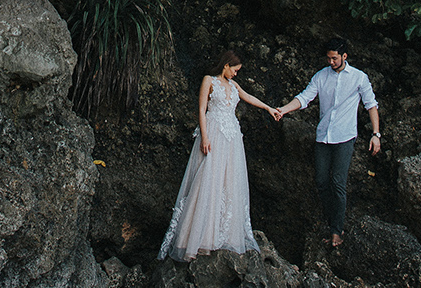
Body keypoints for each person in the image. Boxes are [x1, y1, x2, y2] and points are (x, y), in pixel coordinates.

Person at [157, 49, 278, 261]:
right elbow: (201, 109)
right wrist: (204, 137)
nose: (236, 74)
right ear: (226, 65)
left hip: (231, 137)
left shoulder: (234, 85)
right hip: (214, 131)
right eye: (235, 70)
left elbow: (249, 97)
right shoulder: (209, 80)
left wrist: (269, 108)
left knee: (228, 181)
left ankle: (222, 235)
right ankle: (194, 237)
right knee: (207, 179)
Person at [272, 36, 379, 249]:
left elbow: (371, 105)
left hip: (345, 136)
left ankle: (336, 230)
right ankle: (332, 223)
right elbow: (304, 98)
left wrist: (376, 134)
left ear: (344, 56)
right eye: (328, 58)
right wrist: (283, 109)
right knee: (321, 181)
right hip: (323, 136)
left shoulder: (359, 77)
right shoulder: (321, 76)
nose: (331, 62)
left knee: (338, 182)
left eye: (334, 58)